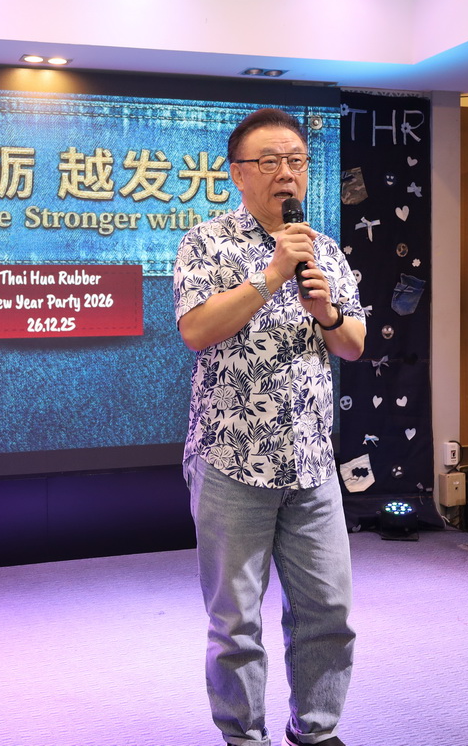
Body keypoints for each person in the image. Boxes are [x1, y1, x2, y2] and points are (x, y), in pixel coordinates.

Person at [173, 108, 366, 746]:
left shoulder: (324, 249)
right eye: (270, 162)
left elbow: (354, 345)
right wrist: (271, 275)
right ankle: (243, 735)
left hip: (311, 462)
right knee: (235, 620)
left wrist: (326, 311)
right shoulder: (206, 242)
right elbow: (196, 330)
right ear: (238, 173)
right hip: (231, 459)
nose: (286, 173)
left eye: (296, 161)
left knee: (328, 610)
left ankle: (315, 730)